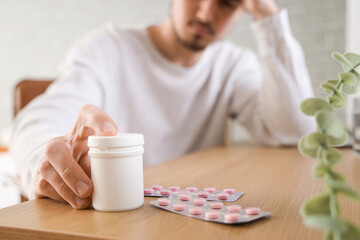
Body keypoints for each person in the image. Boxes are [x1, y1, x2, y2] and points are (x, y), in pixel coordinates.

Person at [10, 0, 315, 209]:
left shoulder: (232, 65)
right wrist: (44, 156)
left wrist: (268, 15)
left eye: (227, 1)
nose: (206, 13)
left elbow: (294, 131)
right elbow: (40, 117)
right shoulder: (107, 48)